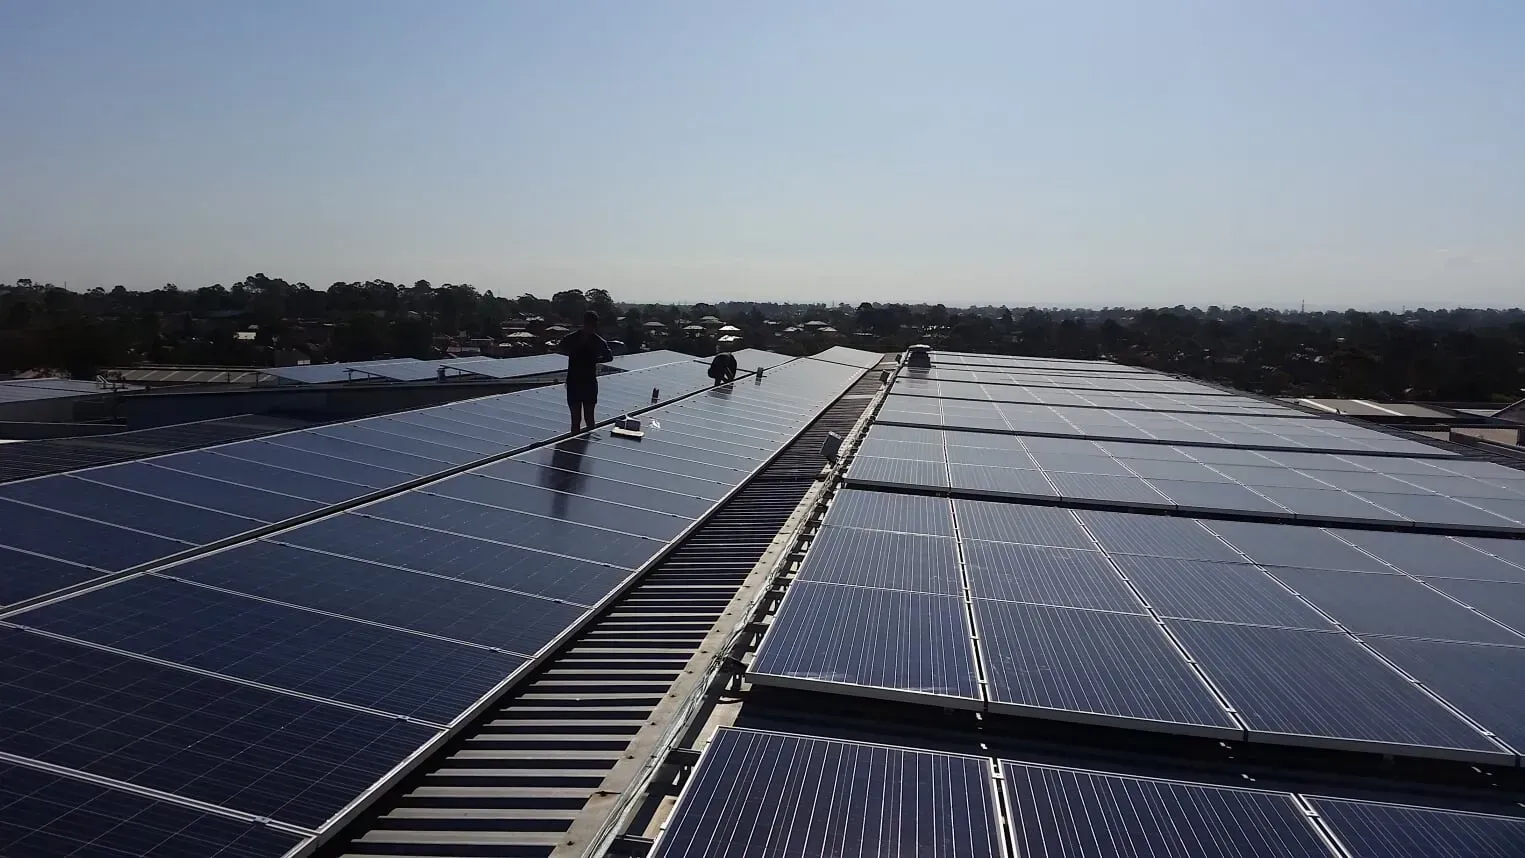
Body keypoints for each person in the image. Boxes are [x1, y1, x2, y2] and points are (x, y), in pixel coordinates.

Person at [556, 310, 614, 434]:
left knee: (587, 418)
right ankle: (577, 441)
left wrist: (592, 358)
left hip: (585, 383)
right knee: (578, 419)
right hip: (578, 383)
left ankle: (583, 442)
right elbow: (560, 348)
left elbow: (609, 357)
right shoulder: (577, 339)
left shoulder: (595, 341)